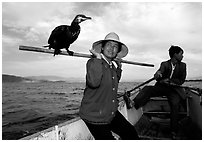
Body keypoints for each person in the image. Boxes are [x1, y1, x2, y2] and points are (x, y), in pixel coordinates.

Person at [79, 32, 139, 140]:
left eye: (115, 46)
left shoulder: (111, 67)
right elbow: (94, 82)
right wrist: (97, 58)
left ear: (117, 52)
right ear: (102, 48)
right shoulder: (93, 62)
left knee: (131, 133)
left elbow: (115, 79)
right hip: (95, 115)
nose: (112, 48)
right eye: (109, 45)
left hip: (110, 113)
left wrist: (119, 67)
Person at [133, 45, 187, 139]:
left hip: (174, 89)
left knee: (175, 103)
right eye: (181, 54)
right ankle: (134, 104)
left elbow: (181, 80)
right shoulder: (164, 64)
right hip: (162, 87)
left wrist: (170, 81)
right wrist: (157, 75)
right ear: (175, 54)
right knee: (147, 88)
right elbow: (159, 73)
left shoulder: (183, 66)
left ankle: (174, 130)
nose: (183, 56)